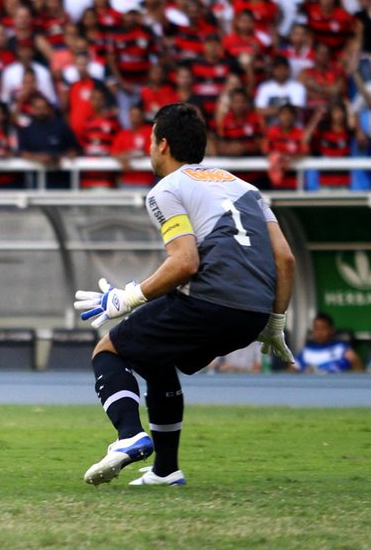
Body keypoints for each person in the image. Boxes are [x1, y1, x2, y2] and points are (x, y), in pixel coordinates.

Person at [72, 103, 296, 487]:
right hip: (252, 314)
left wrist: (126, 298)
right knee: (157, 359)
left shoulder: (167, 189)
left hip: (208, 302)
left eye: (149, 141)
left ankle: (129, 436)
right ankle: (166, 471)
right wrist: (275, 323)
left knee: (109, 349)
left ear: (163, 144)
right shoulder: (247, 188)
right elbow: (285, 259)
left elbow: (185, 263)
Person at [295, 313, 363, 373]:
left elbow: (357, 367)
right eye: (316, 329)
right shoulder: (306, 352)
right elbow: (291, 371)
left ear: (332, 330)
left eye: (323, 329)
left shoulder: (341, 349)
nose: (319, 333)